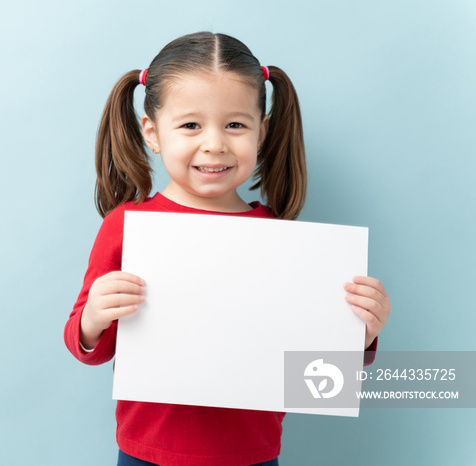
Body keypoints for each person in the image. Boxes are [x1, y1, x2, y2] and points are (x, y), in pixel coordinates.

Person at [64, 31, 391, 466]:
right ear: (153, 132)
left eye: (235, 124)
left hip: (252, 456)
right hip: (148, 453)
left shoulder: (280, 238)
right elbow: (87, 346)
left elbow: (311, 367)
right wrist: (94, 317)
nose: (214, 143)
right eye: (190, 125)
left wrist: (361, 334)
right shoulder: (126, 226)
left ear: (262, 131)